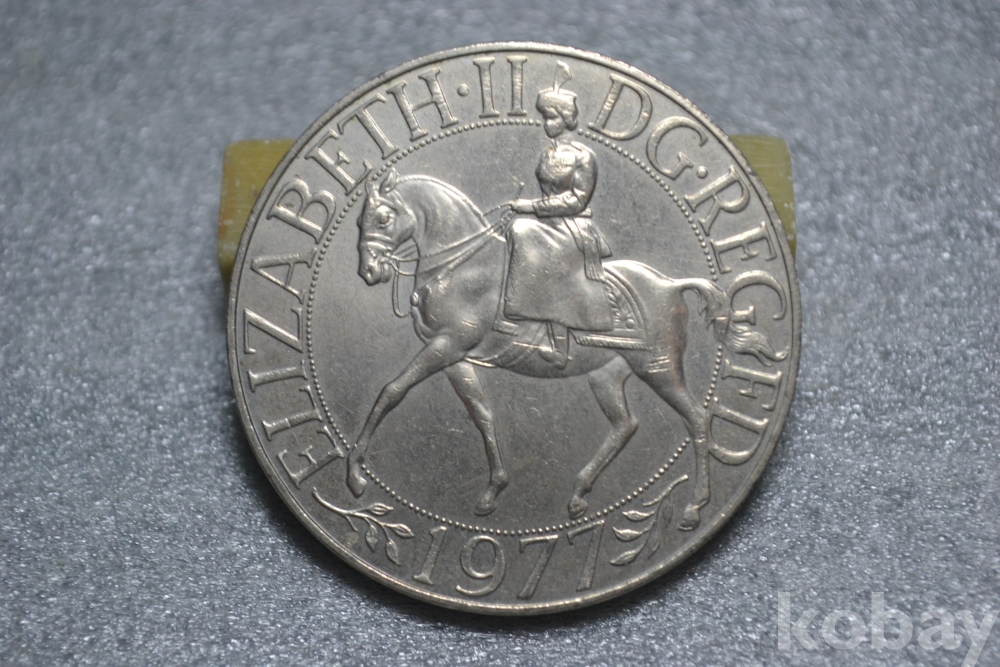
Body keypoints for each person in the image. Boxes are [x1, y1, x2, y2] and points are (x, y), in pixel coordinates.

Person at [503, 62, 613, 368]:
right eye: (545, 117)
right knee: (513, 231)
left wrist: (532, 207)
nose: (546, 123)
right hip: (548, 222)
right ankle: (520, 313)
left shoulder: (583, 156)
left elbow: (577, 200)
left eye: (551, 117)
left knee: (522, 231)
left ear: (566, 119)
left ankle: (555, 342)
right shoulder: (547, 153)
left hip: (573, 227)